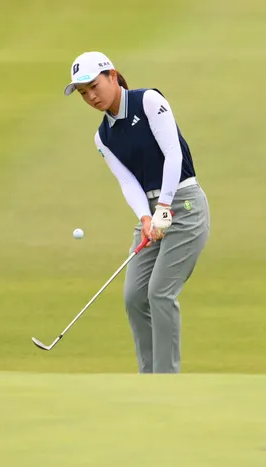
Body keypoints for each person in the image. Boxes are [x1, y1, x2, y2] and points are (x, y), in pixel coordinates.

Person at [64, 51, 211, 374]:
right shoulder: (103, 137)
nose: (91, 97)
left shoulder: (148, 101)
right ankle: (148, 377)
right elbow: (128, 181)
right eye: (83, 93)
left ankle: (165, 379)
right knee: (134, 296)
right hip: (151, 214)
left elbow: (172, 153)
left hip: (184, 205)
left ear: (112, 76)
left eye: (94, 86)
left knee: (160, 293)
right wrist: (146, 217)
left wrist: (164, 207)